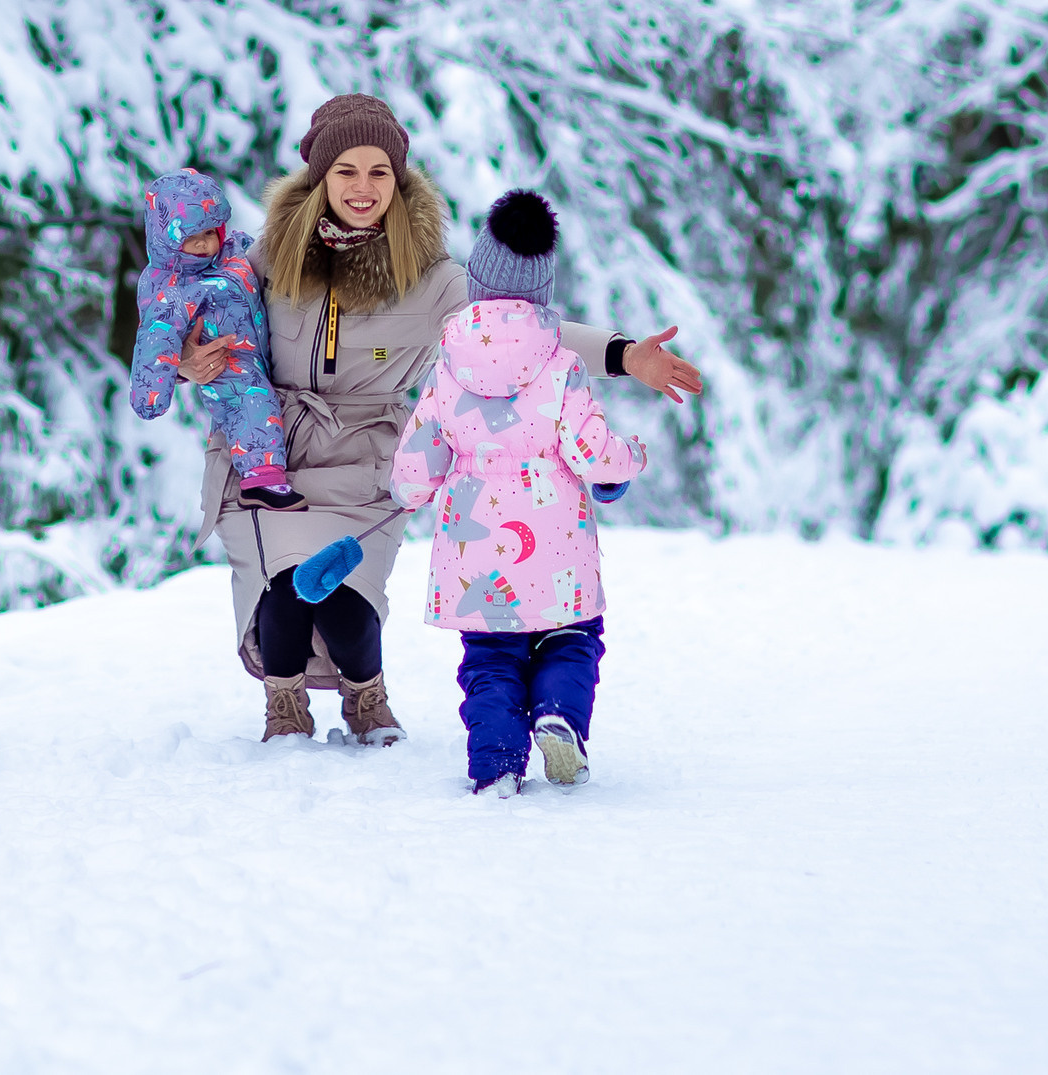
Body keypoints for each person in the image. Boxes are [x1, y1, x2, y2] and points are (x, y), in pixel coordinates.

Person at [174, 93, 704, 748]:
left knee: (345, 599)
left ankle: (366, 692)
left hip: (365, 458)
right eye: (346, 170)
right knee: (284, 587)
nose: (363, 187)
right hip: (270, 456)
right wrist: (185, 362)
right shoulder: (267, 256)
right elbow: (198, 316)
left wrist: (624, 355)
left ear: (398, 180)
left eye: (378, 171)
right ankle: (284, 705)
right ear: (319, 178)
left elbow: (526, 328)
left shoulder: (427, 275)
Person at [392, 189, 643, 795]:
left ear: (477, 281)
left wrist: (408, 492)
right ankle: (558, 715)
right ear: (542, 289)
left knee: (490, 658)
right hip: (556, 551)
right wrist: (630, 457)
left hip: (475, 547)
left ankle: (497, 765)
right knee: (571, 639)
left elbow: (416, 463)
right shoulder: (561, 364)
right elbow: (591, 453)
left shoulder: (448, 364)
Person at [128, 170, 300, 508]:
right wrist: (151, 394)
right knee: (250, 403)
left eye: (210, 232)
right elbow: (155, 338)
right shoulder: (172, 289)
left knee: (261, 399)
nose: (205, 244)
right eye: (192, 237)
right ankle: (261, 477)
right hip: (224, 363)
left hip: (259, 348)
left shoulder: (231, 252)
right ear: (167, 239)